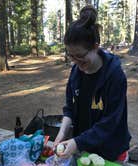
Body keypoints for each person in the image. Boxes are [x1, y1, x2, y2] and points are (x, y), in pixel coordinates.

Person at [54, 5, 131, 162]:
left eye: (80, 56)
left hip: (110, 151)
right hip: (84, 148)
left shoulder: (115, 76)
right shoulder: (76, 72)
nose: (75, 62)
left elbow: (110, 122)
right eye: (71, 56)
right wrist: (62, 134)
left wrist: (76, 143)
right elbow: (70, 108)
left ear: (95, 47)